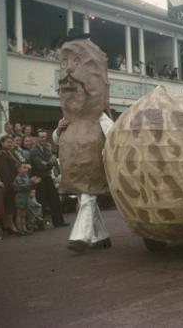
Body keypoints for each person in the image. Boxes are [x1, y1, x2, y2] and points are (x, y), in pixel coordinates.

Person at [56, 28, 113, 252]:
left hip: (93, 165)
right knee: (86, 196)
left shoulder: (101, 119)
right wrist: (58, 131)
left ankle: (80, 236)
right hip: (75, 165)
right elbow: (55, 137)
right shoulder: (68, 118)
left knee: (88, 197)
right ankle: (100, 236)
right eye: (65, 63)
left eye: (78, 62)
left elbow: (116, 136)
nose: (69, 70)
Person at [30, 129, 68, 228]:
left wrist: (48, 163)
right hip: (39, 178)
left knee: (55, 200)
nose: (43, 139)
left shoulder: (47, 148)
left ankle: (59, 222)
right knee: (41, 202)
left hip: (47, 177)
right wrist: (49, 162)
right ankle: (40, 225)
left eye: (45, 137)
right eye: (41, 137)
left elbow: (54, 162)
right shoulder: (34, 150)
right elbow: (40, 165)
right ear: (37, 138)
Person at [0, 135, 20, 234]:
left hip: (13, 182)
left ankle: (6, 225)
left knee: (10, 204)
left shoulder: (10, 152)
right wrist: (9, 184)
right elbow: (3, 171)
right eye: (8, 142)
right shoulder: (1, 154)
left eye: (11, 142)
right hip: (7, 183)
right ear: (2, 143)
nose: (10, 144)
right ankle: (10, 225)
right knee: (9, 205)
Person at [13, 162, 40, 234]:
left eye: (26, 168)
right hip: (20, 196)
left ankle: (24, 228)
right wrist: (32, 182)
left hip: (25, 195)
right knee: (19, 213)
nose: (26, 169)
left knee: (24, 214)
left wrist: (33, 182)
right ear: (18, 169)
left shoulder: (25, 176)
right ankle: (20, 229)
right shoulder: (18, 178)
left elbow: (28, 186)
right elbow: (24, 186)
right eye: (24, 168)